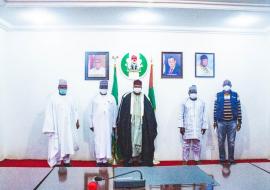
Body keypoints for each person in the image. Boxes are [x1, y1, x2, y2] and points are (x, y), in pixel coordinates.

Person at [116, 80, 157, 166]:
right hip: (131, 124)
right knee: (130, 141)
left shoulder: (146, 98)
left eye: (139, 86)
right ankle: (130, 158)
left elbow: (150, 114)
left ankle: (140, 159)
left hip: (141, 125)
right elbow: (122, 113)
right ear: (133, 86)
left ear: (141, 87)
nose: (137, 88)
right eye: (136, 86)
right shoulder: (127, 97)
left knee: (141, 141)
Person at [43, 79, 80, 167]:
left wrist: (77, 120)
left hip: (68, 127)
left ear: (67, 87)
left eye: (65, 87)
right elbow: (48, 113)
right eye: (62, 87)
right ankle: (58, 162)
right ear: (58, 87)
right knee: (58, 144)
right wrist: (50, 127)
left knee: (68, 143)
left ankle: (67, 161)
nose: (63, 88)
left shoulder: (70, 98)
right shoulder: (53, 98)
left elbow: (75, 110)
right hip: (57, 127)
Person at [89, 80, 118, 167]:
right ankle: (98, 160)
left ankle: (105, 160)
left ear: (107, 88)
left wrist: (114, 124)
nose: (103, 89)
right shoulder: (95, 99)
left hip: (108, 125)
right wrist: (91, 124)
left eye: (105, 87)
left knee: (107, 141)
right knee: (98, 141)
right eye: (102, 87)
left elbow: (114, 112)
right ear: (99, 87)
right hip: (97, 125)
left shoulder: (112, 98)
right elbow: (90, 112)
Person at [214, 80, 242, 165]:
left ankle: (231, 159)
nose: (226, 86)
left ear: (231, 85)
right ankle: (222, 159)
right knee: (220, 141)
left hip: (232, 122)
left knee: (231, 141)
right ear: (222, 86)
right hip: (221, 122)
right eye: (225, 84)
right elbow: (215, 109)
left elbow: (239, 108)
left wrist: (239, 121)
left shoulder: (235, 95)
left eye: (228, 84)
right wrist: (215, 121)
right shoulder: (218, 95)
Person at [179, 85, 208, 164]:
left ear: (197, 92)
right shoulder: (184, 102)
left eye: (194, 92)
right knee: (186, 145)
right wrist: (181, 126)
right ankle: (185, 160)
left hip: (198, 127)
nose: (193, 93)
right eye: (192, 92)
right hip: (187, 127)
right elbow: (180, 115)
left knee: (197, 145)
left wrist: (204, 126)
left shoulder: (202, 102)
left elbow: (204, 115)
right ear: (188, 93)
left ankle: (197, 159)